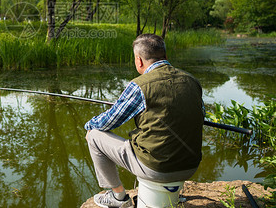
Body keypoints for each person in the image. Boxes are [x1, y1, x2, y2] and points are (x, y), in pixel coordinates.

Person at [85, 34, 204, 208]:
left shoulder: (139, 85)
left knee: (94, 135)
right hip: (190, 166)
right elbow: (201, 116)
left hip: (156, 168)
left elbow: (109, 121)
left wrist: (88, 124)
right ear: (165, 56)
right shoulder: (192, 81)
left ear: (139, 61)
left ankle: (118, 198)